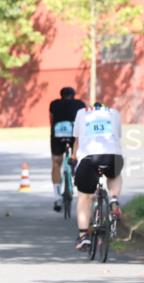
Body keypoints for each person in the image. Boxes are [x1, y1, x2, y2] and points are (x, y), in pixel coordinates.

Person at [72, 101, 124, 251]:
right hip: (113, 156)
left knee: (85, 197)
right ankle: (114, 199)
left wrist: (73, 157)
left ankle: (83, 237)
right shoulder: (113, 113)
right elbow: (117, 136)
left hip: (89, 158)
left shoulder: (81, 113)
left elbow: (77, 140)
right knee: (114, 174)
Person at [49, 86, 86, 212]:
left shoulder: (54, 104)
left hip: (58, 135)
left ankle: (57, 196)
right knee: (79, 156)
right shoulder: (80, 104)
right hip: (73, 136)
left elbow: (51, 121)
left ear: (61, 95)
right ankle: (75, 168)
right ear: (73, 95)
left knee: (56, 162)